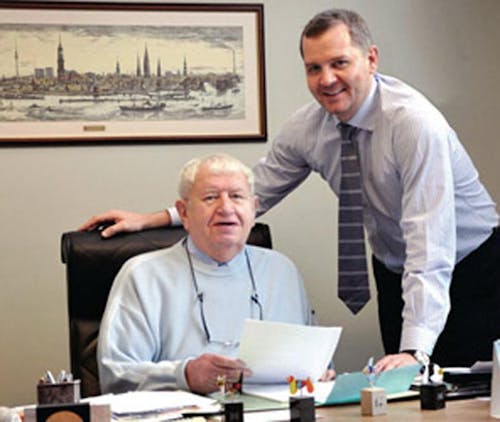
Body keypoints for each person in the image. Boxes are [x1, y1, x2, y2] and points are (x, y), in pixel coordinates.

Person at [85, 9, 499, 371]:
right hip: (395, 268)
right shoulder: (309, 128)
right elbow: (252, 193)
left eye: (339, 63)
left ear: (371, 59)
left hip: (471, 263)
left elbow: (430, 245)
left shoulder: (414, 125)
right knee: (408, 389)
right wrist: (158, 218)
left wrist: (415, 348)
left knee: (468, 390)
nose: (327, 80)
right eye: (313, 68)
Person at [97, 153, 327, 394]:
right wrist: (184, 375)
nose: (226, 208)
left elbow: (315, 361)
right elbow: (116, 374)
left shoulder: (282, 271)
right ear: (184, 213)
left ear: (254, 209)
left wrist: (318, 373)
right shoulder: (143, 276)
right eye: (210, 197)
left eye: (236, 196)